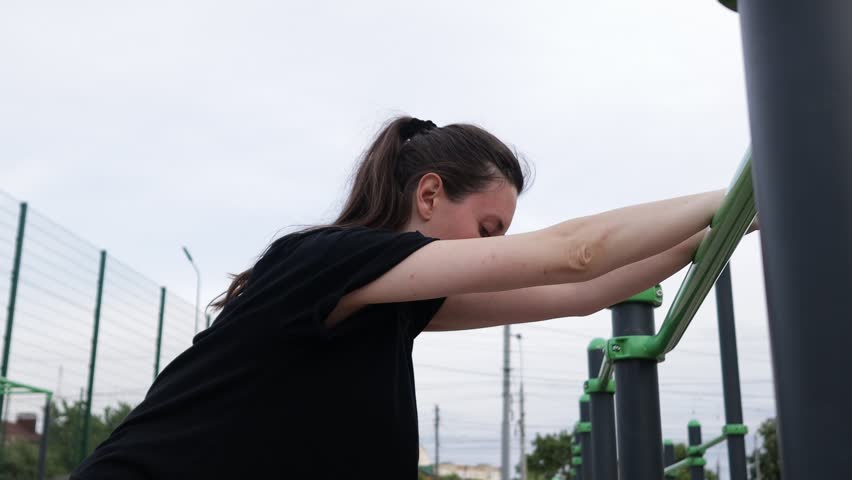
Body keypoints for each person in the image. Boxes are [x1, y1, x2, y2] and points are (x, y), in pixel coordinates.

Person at [72, 116, 749, 479]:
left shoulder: (392, 302)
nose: (494, 249)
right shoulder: (325, 261)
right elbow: (572, 253)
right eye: (488, 230)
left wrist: (735, 223)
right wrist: (760, 177)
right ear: (428, 195)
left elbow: (582, 290)